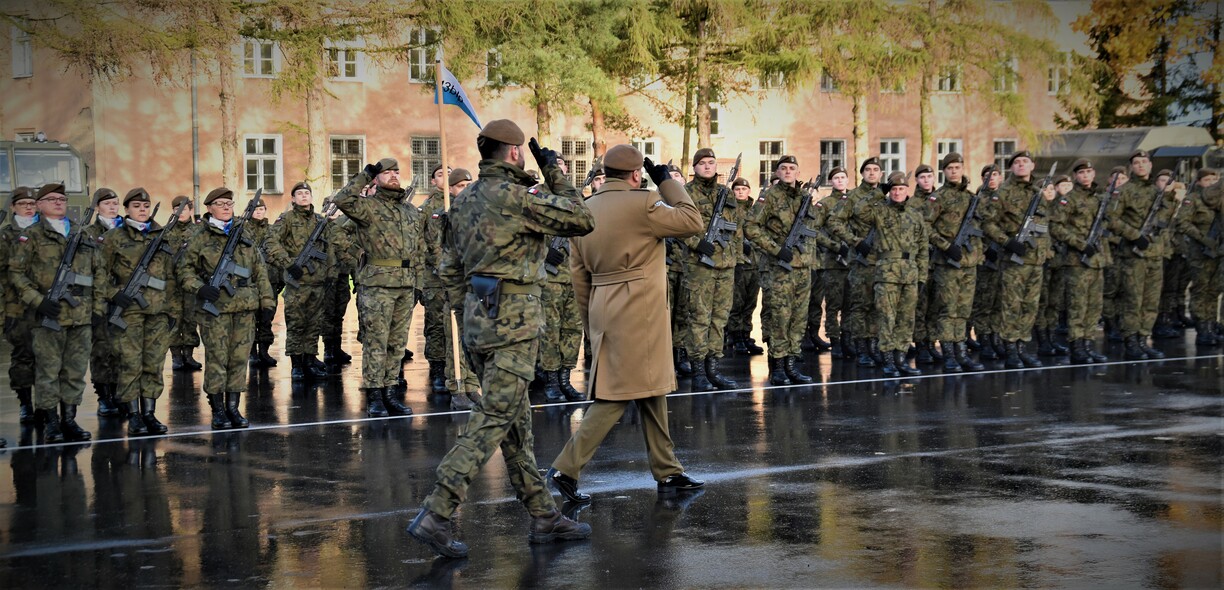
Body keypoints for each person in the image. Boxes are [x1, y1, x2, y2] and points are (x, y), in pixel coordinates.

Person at [408, 120, 594, 559]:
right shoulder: (516, 197)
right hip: (514, 324)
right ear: (513, 153)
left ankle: (543, 515)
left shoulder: (465, 198)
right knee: (494, 418)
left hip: (479, 321)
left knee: (515, 422)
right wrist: (556, 172)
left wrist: (468, 310)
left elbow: (450, 266)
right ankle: (437, 511)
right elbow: (582, 218)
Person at [545, 142, 705, 504]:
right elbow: (692, 221)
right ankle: (565, 468)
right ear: (636, 174)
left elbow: (578, 274)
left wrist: (590, 320)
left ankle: (668, 470)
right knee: (617, 395)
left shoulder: (586, 207)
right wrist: (666, 182)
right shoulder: (645, 203)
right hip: (640, 309)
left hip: (603, 304)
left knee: (650, 388)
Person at [9, 182, 104, 443]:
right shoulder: (31, 236)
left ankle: (69, 420)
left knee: (74, 372)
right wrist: (37, 301)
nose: (58, 202)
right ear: (39, 204)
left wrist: (97, 309)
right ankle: (51, 421)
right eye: (51, 199)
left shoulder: (82, 234)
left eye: (62, 199)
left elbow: (100, 273)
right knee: (48, 372)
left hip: (81, 317)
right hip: (48, 317)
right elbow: (16, 274)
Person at [176, 188, 274, 430]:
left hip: (244, 306)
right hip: (215, 309)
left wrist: (267, 301)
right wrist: (199, 288)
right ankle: (218, 409)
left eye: (229, 203)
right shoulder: (199, 235)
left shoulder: (244, 231)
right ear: (209, 208)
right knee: (218, 360)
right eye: (220, 204)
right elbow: (183, 271)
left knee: (240, 360)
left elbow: (259, 269)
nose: (226, 207)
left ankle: (233, 407)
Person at [333, 156, 423, 417]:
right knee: (376, 341)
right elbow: (343, 200)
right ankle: (374, 394)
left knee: (397, 343)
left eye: (396, 171)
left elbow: (419, 249)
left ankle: (390, 392)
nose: (394, 175)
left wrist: (419, 282)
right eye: (387, 172)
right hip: (377, 285)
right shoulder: (367, 207)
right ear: (377, 178)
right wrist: (364, 174)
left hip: (405, 285)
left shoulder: (410, 212)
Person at [100, 187, 180, 435]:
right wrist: (115, 294)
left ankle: (149, 414)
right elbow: (99, 273)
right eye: (136, 206)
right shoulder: (114, 238)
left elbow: (171, 278)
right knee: (131, 364)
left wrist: (173, 312)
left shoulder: (161, 237)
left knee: (154, 364)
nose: (142, 210)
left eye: (146, 206)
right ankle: (134, 415)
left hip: (157, 312)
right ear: (126, 210)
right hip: (129, 313)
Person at [745, 155, 819, 385]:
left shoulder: (806, 197)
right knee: (779, 317)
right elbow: (750, 227)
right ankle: (777, 365)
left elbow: (814, 227)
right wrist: (776, 250)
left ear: (798, 173)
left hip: (803, 267)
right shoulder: (769, 197)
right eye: (783, 168)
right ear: (777, 172)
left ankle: (791, 364)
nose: (788, 172)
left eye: (792, 168)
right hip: (779, 268)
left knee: (798, 317)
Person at [980, 150, 1057, 369]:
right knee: (1011, 305)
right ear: (1011, 167)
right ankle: (1011, 348)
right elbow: (988, 224)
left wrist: (1045, 251)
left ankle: (1023, 347)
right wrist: (1007, 242)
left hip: (1036, 260)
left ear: (1032, 166)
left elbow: (1043, 226)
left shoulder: (1038, 192)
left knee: (1030, 306)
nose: (1021, 165)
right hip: (1015, 260)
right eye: (1017, 162)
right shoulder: (1002, 193)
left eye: (1025, 161)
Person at [1109, 150, 1178, 360]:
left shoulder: (1158, 192)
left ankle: (1143, 339)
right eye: (1136, 162)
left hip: (1154, 253)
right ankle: (1131, 341)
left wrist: (1169, 196)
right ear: (1131, 167)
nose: (1140, 165)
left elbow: (1165, 218)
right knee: (1133, 300)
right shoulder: (1124, 191)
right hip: (1132, 255)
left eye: (1144, 162)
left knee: (1151, 300)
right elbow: (1111, 218)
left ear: (1150, 166)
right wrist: (1134, 235)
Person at [682, 148, 741, 391]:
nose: (708, 167)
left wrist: (735, 255)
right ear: (694, 167)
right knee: (699, 318)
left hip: (725, 265)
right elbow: (676, 224)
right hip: (699, 267)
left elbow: (736, 227)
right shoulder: (686, 192)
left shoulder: (725, 193)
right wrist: (697, 244)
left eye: (711, 163)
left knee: (719, 318)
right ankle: (698, 370)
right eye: (703, 163)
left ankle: (713, 369)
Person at [864, 171, 928, 377]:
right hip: (887, 273)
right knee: (886, 318)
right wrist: (877, 193)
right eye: (893, 189)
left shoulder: (915, 214)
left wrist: (922, 276)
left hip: (910, 273)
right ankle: (888, 360)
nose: (897, 192)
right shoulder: (880, 211)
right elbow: (857, 210)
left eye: (901, 189)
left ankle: (901, 359)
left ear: (907, 190)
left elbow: (923, 246)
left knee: (906, 318)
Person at [927, 153, 985, 372]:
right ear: (944, 171)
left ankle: (962, 352)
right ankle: (949, 353)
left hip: (969, 263)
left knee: (963, 310)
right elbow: (925, 226)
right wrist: (945, 246)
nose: (954, 171)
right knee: (947, 310)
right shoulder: (938, 198)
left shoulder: (971, 197)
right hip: (947, 262)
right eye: (949, 167)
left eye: (957, 167)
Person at [1050, 159, 1113, 364]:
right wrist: (1079, 243)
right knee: (1078, 305)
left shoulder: (1099, 199)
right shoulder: (1068, 200)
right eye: (1081, 172)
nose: (1085, 176)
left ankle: (1088, 344)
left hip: (1097, 260)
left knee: (1094, 306)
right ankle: (1076, 346)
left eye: (1089, 172)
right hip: (1077, 260)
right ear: (1076, 176)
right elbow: (1056, 227)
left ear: (1094, 174)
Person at [828, 157, 886, 367]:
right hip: (861, 261)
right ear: (862, 173)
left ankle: (874, 346)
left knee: (878, 306)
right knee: (860, 306)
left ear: (881, 173)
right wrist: (854, 241)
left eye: (876, 170)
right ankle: (862, 348)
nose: (872, 173)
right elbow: (833, 221)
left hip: (883, 262)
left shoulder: (886, 197)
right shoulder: (852, 197)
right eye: (868, 170)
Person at [539, 156, 585, 402]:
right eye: (553, 163)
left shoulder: (574, 195)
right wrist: (546, 253)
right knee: (550, 330)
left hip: (574, 275)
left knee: (572, 329)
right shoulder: (535, 194)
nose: (558, 168)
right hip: (549, 278)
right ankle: (552, 380)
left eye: (562, 164)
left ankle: (566, 377)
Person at [1, 187, 40, 436]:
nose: (29, 207)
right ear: (13, 207)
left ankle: (47, 407)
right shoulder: (6, 236)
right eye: (23, 203)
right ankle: (26, 403)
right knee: (23, 357)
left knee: (49, 360)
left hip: (45, 304)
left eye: (32, 203)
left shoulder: (45, 232)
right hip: (16, 306)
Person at [87, 188, 124, 416]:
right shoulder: (89, 233)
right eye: (108, 203)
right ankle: (104, 396)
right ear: (97, 206)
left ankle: (119, 393)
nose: (113, 207)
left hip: (125, 300)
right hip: (100, 300)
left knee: (122, 351)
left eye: (116, 203)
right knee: (101, 350)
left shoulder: (126, 231)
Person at [1178, 168, 1221, 345]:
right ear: (1198, 182)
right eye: (1206, 180)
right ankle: (1202, 327)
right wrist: (1203, 239)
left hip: (1219, 251)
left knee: (1214, 290)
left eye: (1214, 179)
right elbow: (1182, 222)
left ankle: (1211, 324)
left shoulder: (1219, 200)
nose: (1210, 183)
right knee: (1200, 289)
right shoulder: (1193, 199)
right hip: (1200, 252)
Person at [815, 167, 852, 359]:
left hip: (852, 262)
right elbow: (816, 231)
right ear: (831, 181)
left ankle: (848, 339)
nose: (840, 181)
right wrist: (835, 246)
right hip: (832, 262)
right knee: (833, 305)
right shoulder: (824, 204)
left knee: (850, 304)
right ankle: (834, 340)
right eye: (836, 178)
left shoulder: (854, 201)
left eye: (843, 177)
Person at [726, 177, 766, 355]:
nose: (741, 192)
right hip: (739, 262)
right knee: (737, 302)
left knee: (750, 303)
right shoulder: (729, 209)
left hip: (755, 262)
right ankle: (736, 336)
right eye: (737, 189)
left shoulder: (755, 209)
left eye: (744, 188)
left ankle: (746, 334)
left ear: (749, 191)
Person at [166, 195, 204, 371]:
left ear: (190, 210)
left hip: (191, 282)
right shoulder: (166, 232)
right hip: (172, 284)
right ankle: (176, 357)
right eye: (176, 210)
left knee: (190, 318)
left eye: (184, 209)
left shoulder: (198, 231)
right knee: (174, 319)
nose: (180, 213)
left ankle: (188, 355)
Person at [247, 200, 279, 368]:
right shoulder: (244, 230)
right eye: (255, 209)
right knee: (251, 318)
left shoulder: (271, 230)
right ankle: (252, 352)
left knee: (267, 316)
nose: (258, 212)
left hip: (270, 279)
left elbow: (278, 251)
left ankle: (264, 351)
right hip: (251, 281)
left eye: (261, 209)